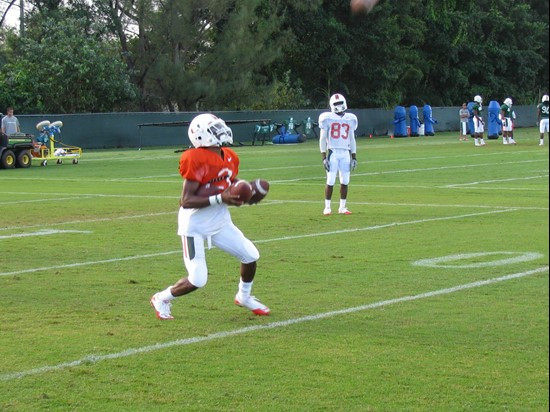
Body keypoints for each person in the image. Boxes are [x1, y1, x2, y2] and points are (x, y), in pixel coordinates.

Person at [150, 113, 270, 320]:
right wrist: (221, 197)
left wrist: (248, 192)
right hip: (194, 225)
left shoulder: (229, 155)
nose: (220, 131)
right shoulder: (194, 157)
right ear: (200, 135)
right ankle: (162, 298)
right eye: (214, 128)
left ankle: (243, 297)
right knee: (198, 279)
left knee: (251, 255)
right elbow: (186, 200)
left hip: (220, 222)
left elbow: (230, 181)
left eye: (219, 126)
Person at [319, 93, 358, 215]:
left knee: (345, 181)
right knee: (330, 180)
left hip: (345, 152)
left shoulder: (350, 118)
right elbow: (322, 138)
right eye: (336, 104)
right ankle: (327, 207)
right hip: (333, 152)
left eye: (340, 103)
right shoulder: (327, 118)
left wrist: (354, 156)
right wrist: (324, 157)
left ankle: (342, 207)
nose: (339, 105)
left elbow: (352, 139)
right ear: (331, 105)